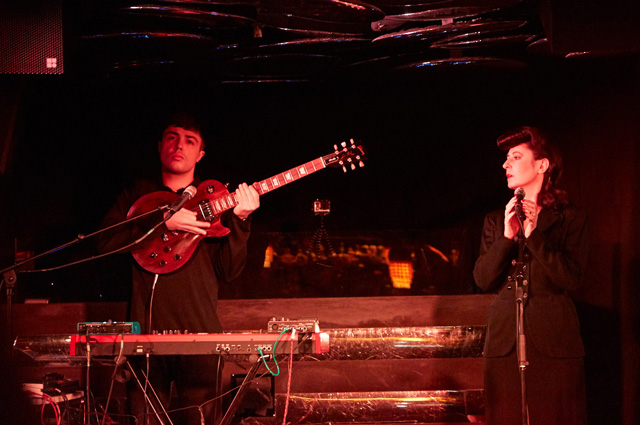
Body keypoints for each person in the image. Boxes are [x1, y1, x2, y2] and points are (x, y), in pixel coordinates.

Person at [97, 111, 260, 424]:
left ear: (200, 154)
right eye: (171, 137)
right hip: (144, 336)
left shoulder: (215, 200)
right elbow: (103, 243)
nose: (179, 145)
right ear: (159, 146)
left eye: (189, 141)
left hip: (200, 335)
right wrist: (161, 221)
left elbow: (229, 272)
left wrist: (240, 220)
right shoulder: (136, 195)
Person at [473, 126, 588, 425]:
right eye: (506, 158)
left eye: (515, 156)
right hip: (504, 342)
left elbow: (571, 279)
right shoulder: (495, 221)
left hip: (553, 342)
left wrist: (534, 235)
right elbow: (483, 280)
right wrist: (507, 237)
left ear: (542, 165)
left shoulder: (570, 219)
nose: (505, 164)